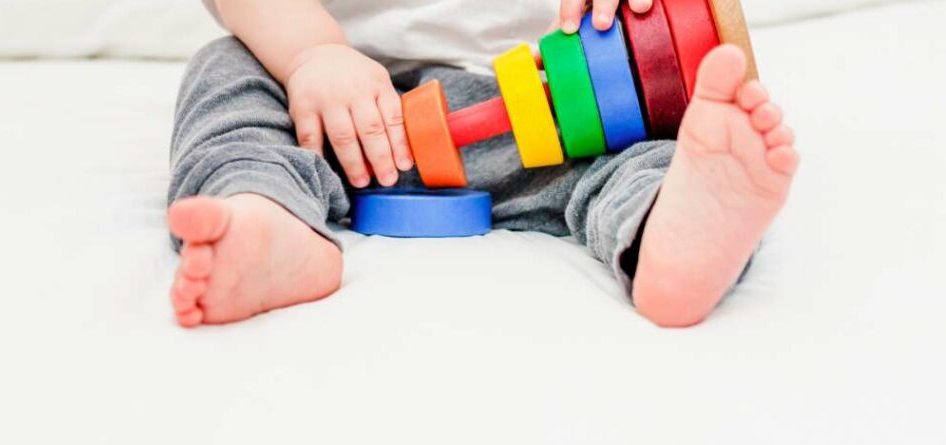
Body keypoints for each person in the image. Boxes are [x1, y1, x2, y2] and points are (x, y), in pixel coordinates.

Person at [166, 0, 798, 328]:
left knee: (654, 145)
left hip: (554, 108)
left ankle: (667, 231)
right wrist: (311, 56)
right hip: (341, 113)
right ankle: (266, 212)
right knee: (227, 71)